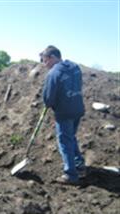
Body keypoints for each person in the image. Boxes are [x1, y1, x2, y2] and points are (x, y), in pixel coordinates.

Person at [40, 45, 86, 185]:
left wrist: (48, 104)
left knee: (65, 142)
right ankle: (79, 165)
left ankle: (70, 174)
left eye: (45, 60)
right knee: (70, 137)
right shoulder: (75, 67)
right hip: (77, 108)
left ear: (53, 57)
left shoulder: (54, 73)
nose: (44, 64)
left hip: (64, 112)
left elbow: (48, 97)